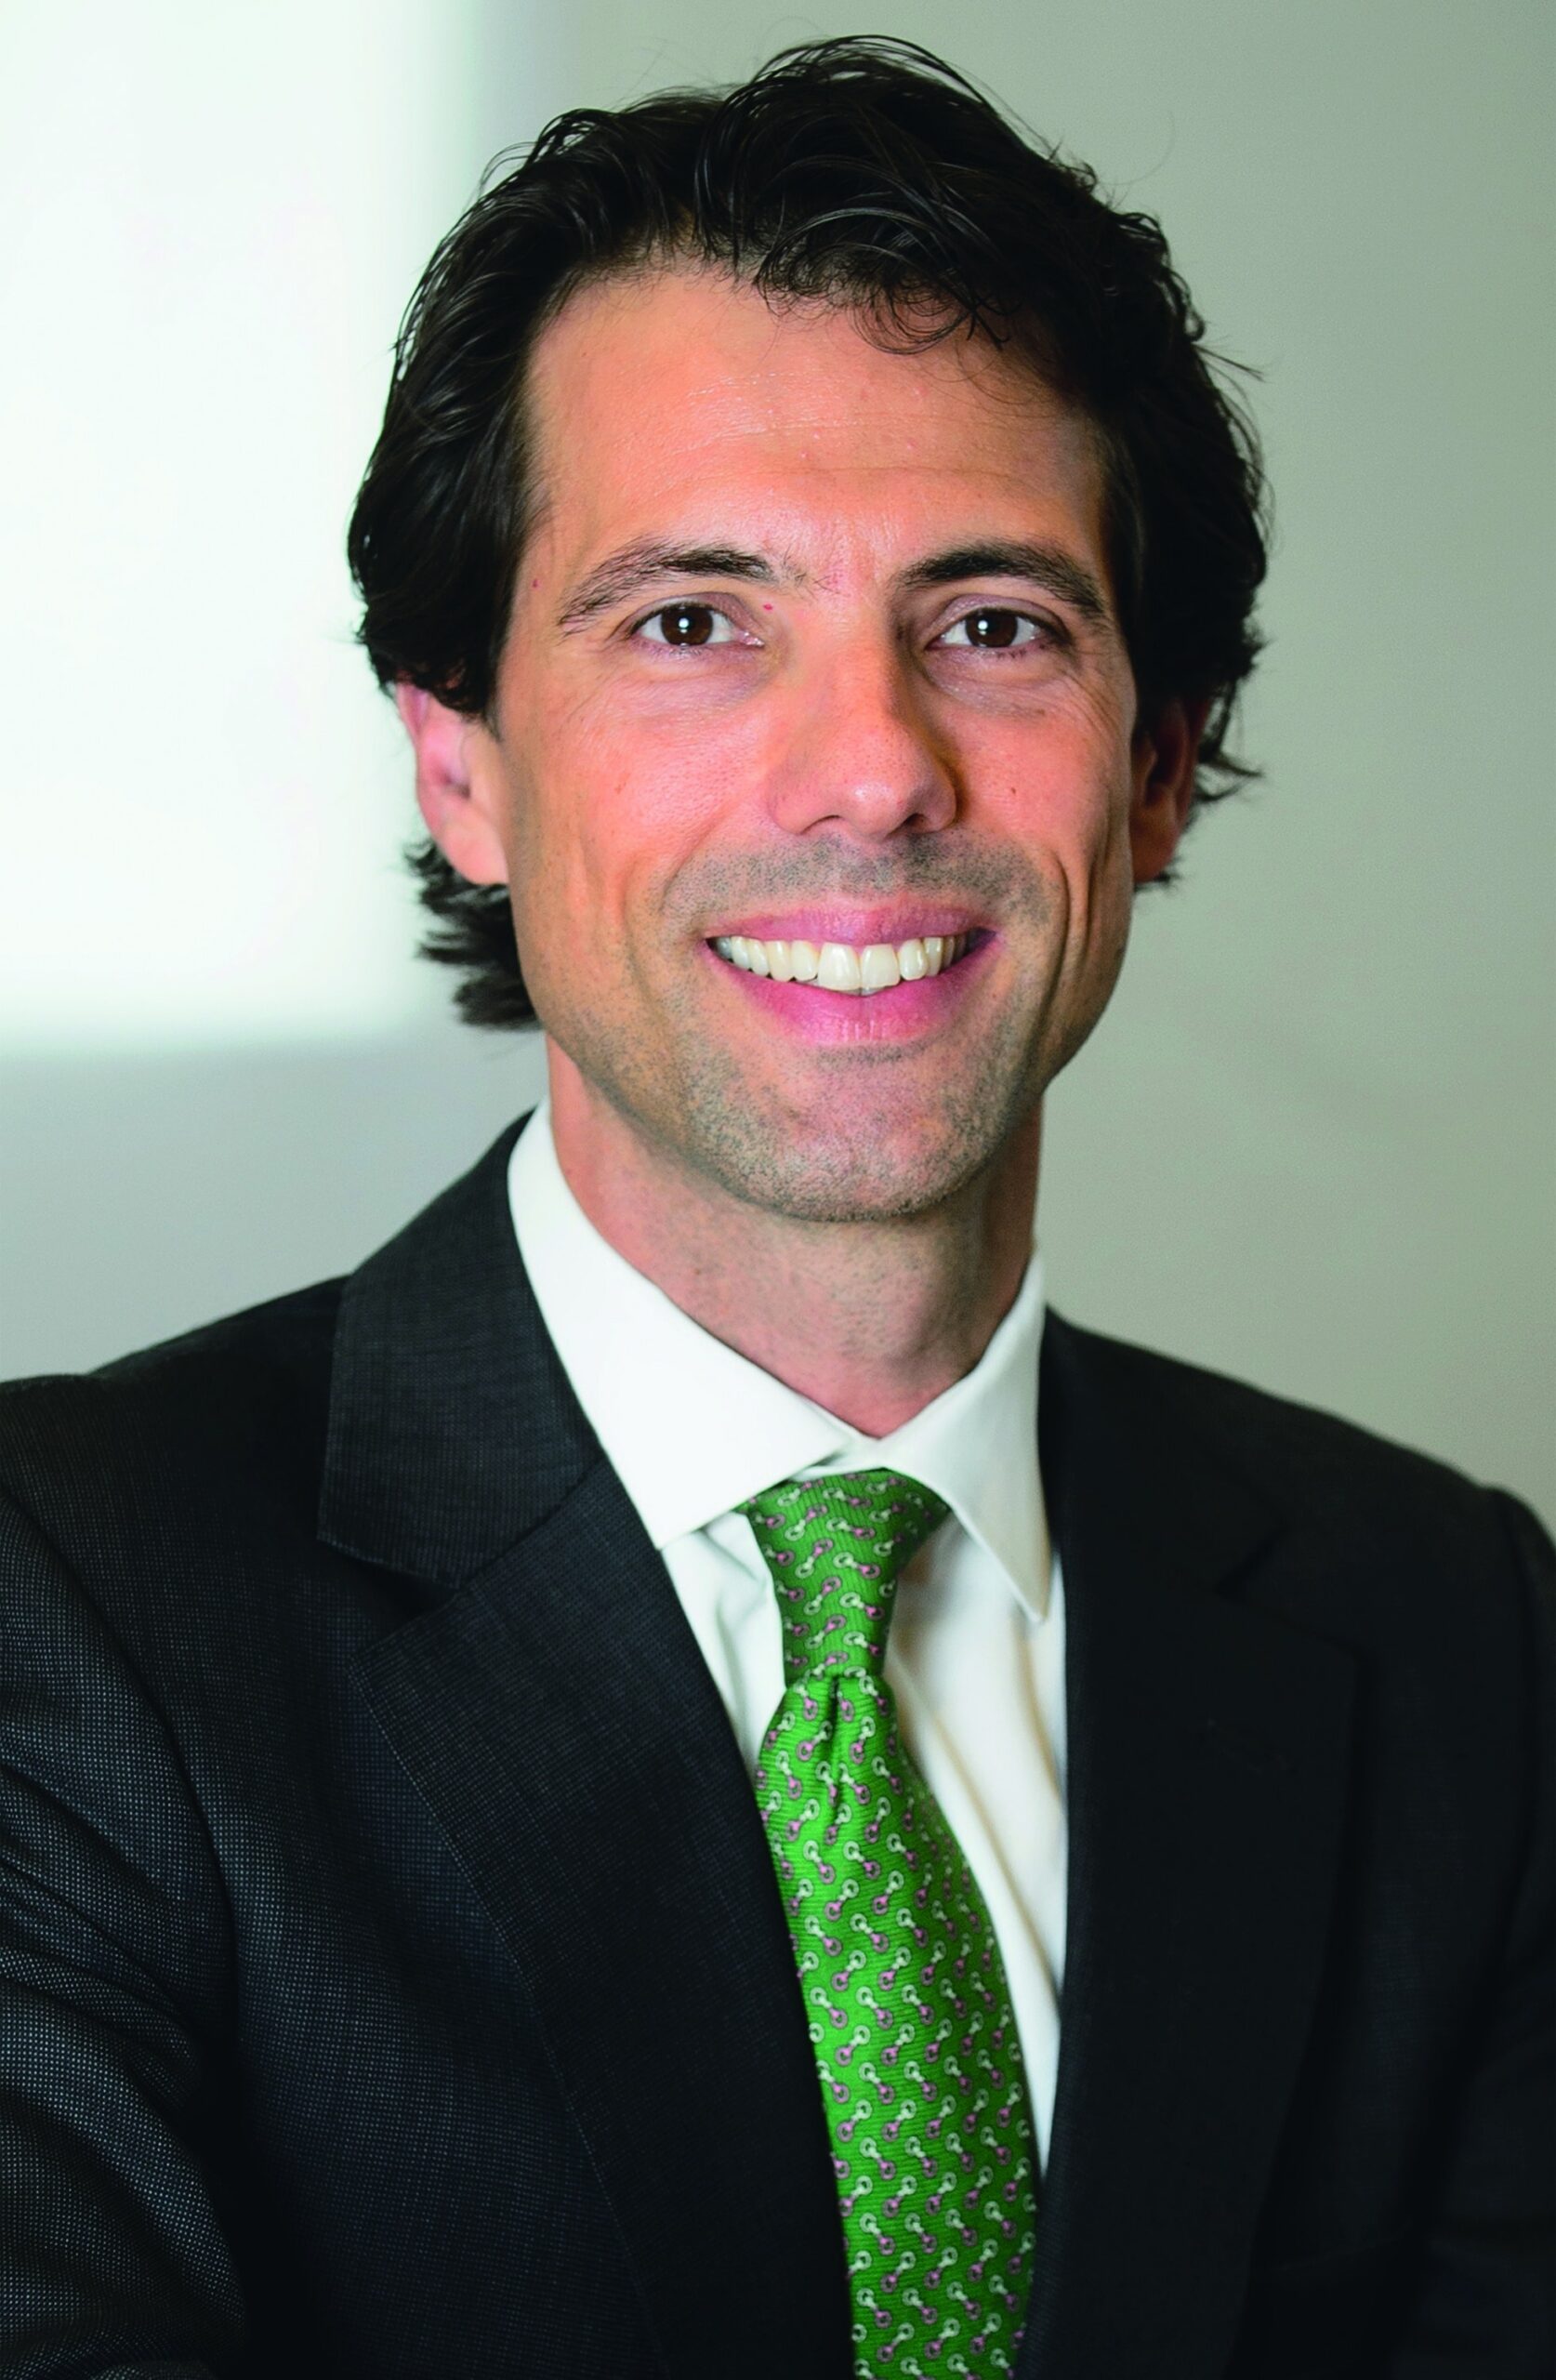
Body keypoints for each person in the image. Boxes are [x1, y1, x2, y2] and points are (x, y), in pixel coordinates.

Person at [0, 36, 1549, 2379]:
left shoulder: (1457, 1636)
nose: (868, 770)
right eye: (693, 621)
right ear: (462, 766)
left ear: (1153, 769)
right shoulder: (65, 1607)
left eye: (993, 621)